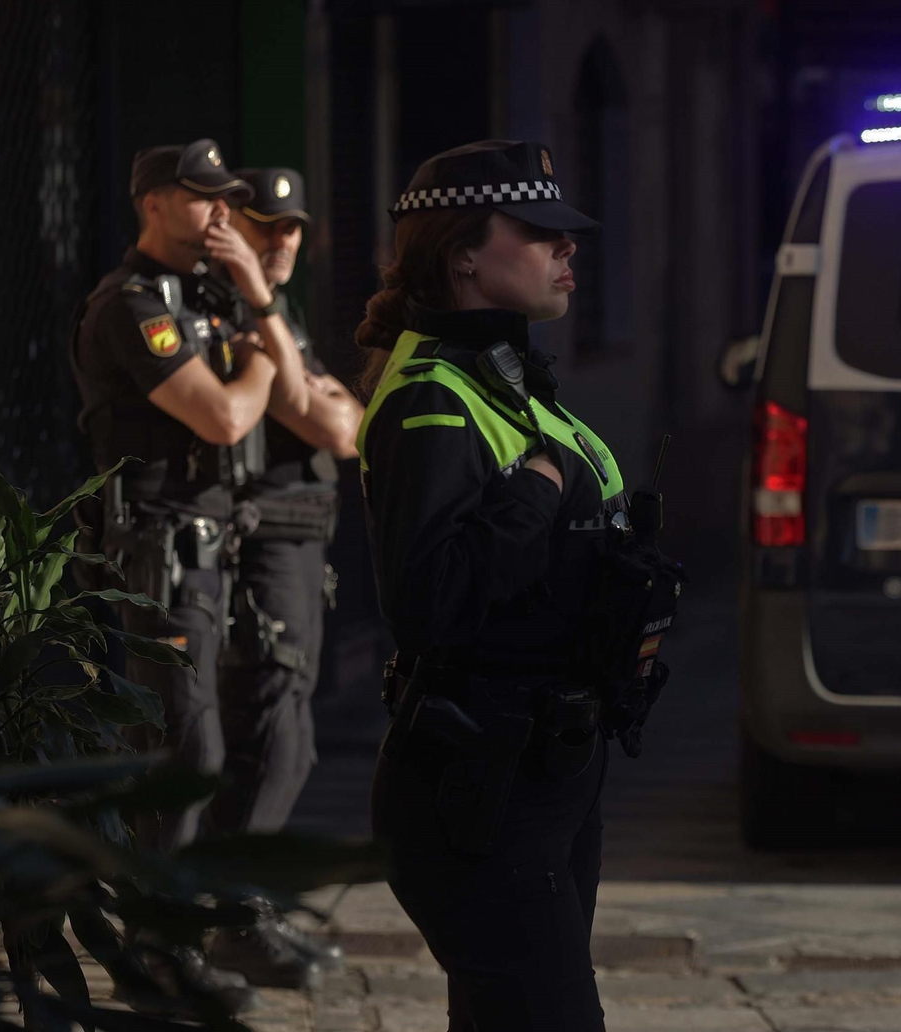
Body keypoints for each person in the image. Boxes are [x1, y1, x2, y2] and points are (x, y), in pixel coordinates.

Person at [357, 140, 680, 1030]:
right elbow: (428, 604)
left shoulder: (507, 383)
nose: (567, 252)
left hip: (548, 765)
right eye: (540, 234)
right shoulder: (433, 396)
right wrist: (536, 491)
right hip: (481, 778)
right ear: (464, 253)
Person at [68, 138, 312, 1010]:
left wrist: (255, 326)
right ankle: (157, 950)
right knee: (183, 748)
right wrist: (255, 360)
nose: (218, 213)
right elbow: (224, 416)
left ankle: (202, 932)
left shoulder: (201, 298)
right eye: (199, 197)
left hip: (210, 553)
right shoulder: (133, 305)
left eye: (223, 199)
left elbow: (317, 411)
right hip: (158, 553)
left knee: (230, 742)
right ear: (151, 204)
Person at [203, 168, 361, 986]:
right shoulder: (238, 309)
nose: (285, 241)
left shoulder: (278, 310)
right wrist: (317, 392)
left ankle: (248, 905)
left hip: (304, 538)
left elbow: (346, 421)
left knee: (291, 740)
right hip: (267, 539)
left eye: (294, 227)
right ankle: (232, 917)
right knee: (268, 736)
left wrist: (324, 398)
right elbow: (322, 415)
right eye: (268, 226)